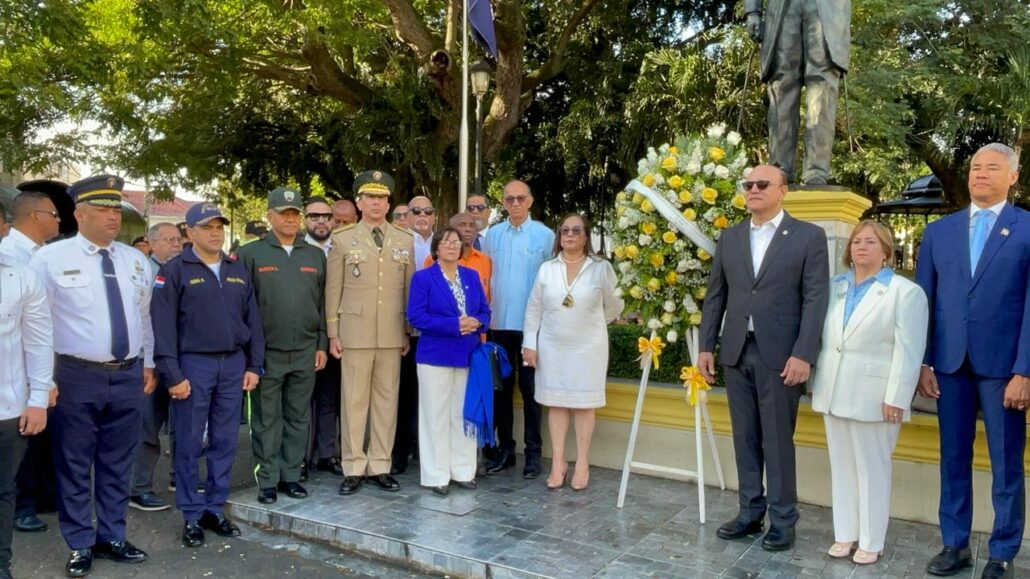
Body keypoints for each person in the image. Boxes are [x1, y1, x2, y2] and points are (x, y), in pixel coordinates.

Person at [29, 175, 156, 577]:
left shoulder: (136, 261)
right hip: (74, 375)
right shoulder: (49, 259)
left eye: (115, 209)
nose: (112, 217)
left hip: (127, 374)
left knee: (119, 462)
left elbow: (143, 318)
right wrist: (44, 380)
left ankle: (112, 536)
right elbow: (37, 325)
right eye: (102, 209)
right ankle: (80, 541)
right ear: (79, 213)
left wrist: (148, 362)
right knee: (74, 462)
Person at [698, 164, 829, 551]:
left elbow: (815, 298)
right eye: (748, 184)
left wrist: (804, 353)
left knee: (776, 439)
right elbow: (716, 295)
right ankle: (749, 512)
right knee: (745, 437)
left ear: (783, 190)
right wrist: (707, 345)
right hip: (737, 350)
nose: (753, 189)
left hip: (781, 355)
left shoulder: (808, 236)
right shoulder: (731, 237)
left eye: (762, 184)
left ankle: (783, 518)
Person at [916, 143, 1030, 579]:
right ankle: (955, 544)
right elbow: (923, 302)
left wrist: (1025, 370)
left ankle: (1002, 552)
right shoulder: (939, 232)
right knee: (953, 458)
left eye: (992, 168)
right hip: (948, 364)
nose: (980, 174)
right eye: (975, 168)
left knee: (1006, 464)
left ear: (1012, 176)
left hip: (1004, 368)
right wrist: (924, 362)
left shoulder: (1025, 229)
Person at [809, 220, 927, 565]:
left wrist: (897, 396)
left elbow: (909, 349)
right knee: (842, 467)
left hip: (876, 396)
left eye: (871, 242)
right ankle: (845, 534)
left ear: (886, 251)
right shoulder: (836, 287)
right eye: (857, 241)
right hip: (834, 389)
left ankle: (872, 540)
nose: (861, 246)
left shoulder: (905, 293)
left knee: (872, 470)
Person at [150, 203, 263, 547]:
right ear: (190, 232)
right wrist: (172, 374)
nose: (215, 232)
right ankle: (191, 514)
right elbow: (163, 327)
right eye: (207, 226)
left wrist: (254, 365)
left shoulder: (236, 269)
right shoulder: (174, 271)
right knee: (187, 441)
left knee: (225, 440)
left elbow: (253, 321)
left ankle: (215, 507)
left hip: (232, 365)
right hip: (193, 365)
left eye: (219, 226)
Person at [325, 170, 414, 495]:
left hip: (391, 333)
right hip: (354, 331)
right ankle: (353, 465)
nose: (376, 203)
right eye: (370, 198)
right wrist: (333, 332)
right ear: (359, 203)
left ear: (389, 203)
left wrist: (406, 330)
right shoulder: (343, 238)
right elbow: (333, 289)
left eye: (382, 198)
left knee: (386, 401)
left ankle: (379, 464)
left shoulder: (404, 240)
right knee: (354, 401)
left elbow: (407, 289)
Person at [237, 187, 328, 504]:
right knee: (265, 419)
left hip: (305, 350)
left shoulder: (314, 255)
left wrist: (321, 343)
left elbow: (323, 305)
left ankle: (291, 475)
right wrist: (249, 354)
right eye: (283, 214)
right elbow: (243, 308)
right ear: (270, 216)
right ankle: (267, 479)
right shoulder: (251, 254)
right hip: (267, 353)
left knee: (298, 416)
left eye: (294, 214)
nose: (290, 219)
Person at [522, 214, 623, 491]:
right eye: (565, 230)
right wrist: (529, 343)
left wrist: (591, 324)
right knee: (556, 403)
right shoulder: (547, 268)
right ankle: (558, 462)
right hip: (552, 345)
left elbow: (616, 305)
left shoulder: (601, 268)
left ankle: (582, 462)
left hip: (588, 347)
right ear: (559, 236)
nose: (569, 235)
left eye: (576, 230)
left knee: (583, 405)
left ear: (585, 236)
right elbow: (534, 308)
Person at [407, 227, 490, 495]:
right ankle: (436, 475)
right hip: (435, 356)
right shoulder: (423, 279)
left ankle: (463, 471)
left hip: (467, 354)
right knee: (435, 415)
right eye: (446, 242)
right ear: (437, 248)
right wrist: (454, 324)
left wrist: (477, 322)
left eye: (456, 242)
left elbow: (486, 311)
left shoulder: (472, 275)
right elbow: (416, 317)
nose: (452, 246)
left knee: (462, 414)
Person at [482, 180, 554, 478]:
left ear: (530, 201)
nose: (515, 203)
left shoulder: (546, 236)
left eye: (520, 198)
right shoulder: (492, 236)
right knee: (501, 392)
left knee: (531, 392)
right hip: (498, 326)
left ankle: (534, 454)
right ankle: (506, 450)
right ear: (503, 202)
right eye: (509, 198)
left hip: (531, 329)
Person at [0, 191, 61, 534]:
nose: (58, 221)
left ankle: (34, 500)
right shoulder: (13, 255)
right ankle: (25, 504)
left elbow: (39, 331)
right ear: (36, 215)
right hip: (16, 371)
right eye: (54, 214)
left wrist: (43, 383)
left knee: (33, 445)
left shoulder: (31, 262)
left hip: (27, 373)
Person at [744, 0, 850, 185]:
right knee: (782, 83)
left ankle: (817, 170)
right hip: (783, 7)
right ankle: (779, 168)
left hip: (827, 6)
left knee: (822, 83)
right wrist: (752, 11)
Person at [128, 222, 183, 512]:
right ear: (151, 243)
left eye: (179, 239)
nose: (176, 244)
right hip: (148, 359)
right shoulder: (140, 272)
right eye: (169, 240)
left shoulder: (185, 268)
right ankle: (140, 488)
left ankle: (179, 477)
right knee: (148, 425)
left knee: (181, 424)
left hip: (179, 359)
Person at [391, 195, 435, 475]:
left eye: (427, 211)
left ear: (434, 216)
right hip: (405, 331)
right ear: (406, 215)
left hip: (436, 333)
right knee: (404, 394)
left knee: (431, 394)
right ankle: (400, 452)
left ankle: (426, 451)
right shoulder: (397, 242)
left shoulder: (443, 241)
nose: (421, 215)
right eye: (415, 211)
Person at [303, 197, 344, 478]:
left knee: (329, 397)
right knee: (302, 401)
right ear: (306, 219)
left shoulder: (342, 248)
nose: (321, 221)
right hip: (304, 337)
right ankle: (300, 458)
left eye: (326, 216)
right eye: (314, 216)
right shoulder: (294, 249)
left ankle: (326, 454)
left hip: (336, 336)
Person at [426, 212, 492, 302]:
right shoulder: (434, 259)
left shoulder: (485, 260)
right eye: (462, 225)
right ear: (451, 229)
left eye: (472, 225)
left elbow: (486, 299)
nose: (468, 229)